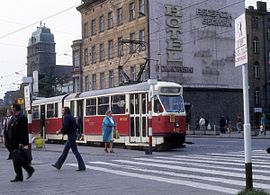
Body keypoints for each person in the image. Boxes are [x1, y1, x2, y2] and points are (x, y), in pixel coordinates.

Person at [52, 107, 85, 171]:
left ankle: (82, 166)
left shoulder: (66, 117)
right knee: (65, 151)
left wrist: (59, 132)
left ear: (65, 111)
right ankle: (58, 164)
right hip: (72, 135)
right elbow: (76, 126)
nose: (61, 111)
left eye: (63, 110)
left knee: (75, 151)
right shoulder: (71, 117)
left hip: (71, 136)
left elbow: (65, 127)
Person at [10, 103, 35, 182]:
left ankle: (26, 171)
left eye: (12, 108)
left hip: (19, 141)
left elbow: (23, 131)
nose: (11, 109)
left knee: (17, 159)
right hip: (14, 141)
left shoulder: (22, 118)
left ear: (15, 108)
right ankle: (23, 173)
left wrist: (21, 142)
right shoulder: (15, 117)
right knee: (17, 159)